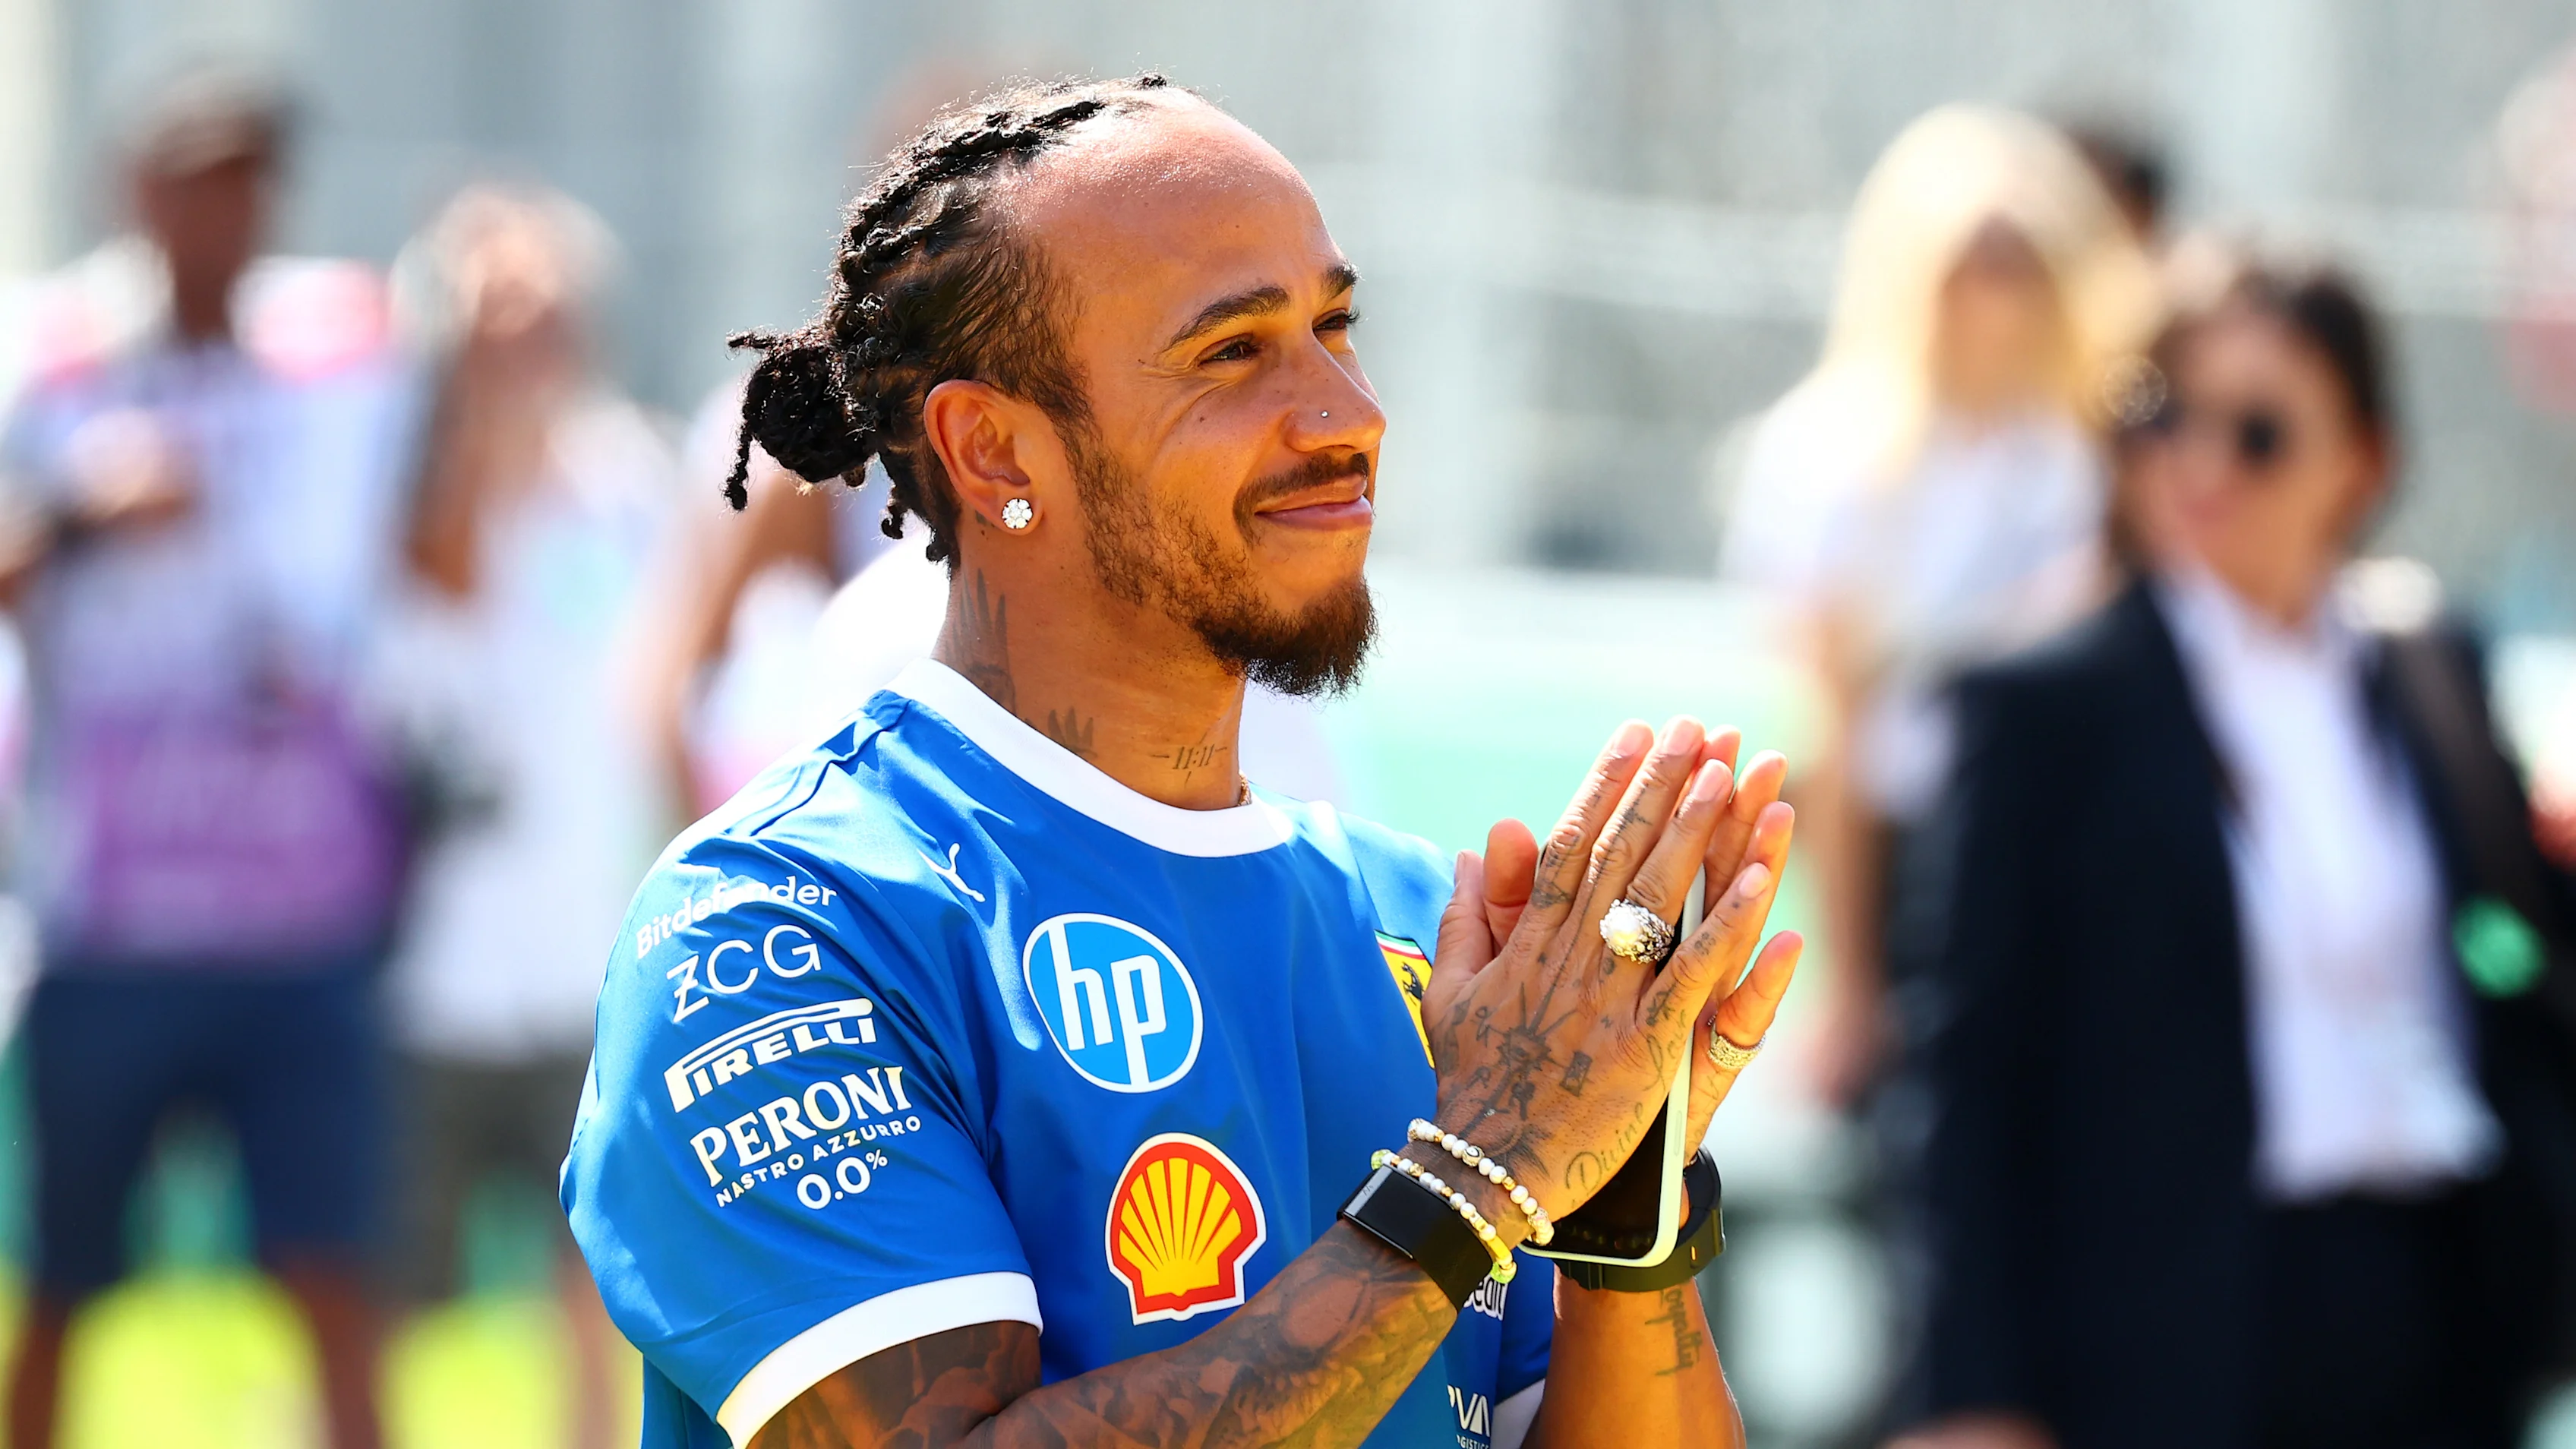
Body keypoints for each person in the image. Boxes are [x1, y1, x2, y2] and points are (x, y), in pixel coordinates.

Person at [563, 74, 1807, 1449]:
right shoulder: (783, 935)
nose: (1346, 412)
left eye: (1334, 326)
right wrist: (1478, 1178)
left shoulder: (1425, 935)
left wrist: (1622, 1216)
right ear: (993, 448)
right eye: (1232, 353)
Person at [1890, 242, 2576, 1449]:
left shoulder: (2431, 671)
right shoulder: (2046, 704)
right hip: (2171, 1337)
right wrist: (1972, 1394)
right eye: (2164, 416)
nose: (2201, 466)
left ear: (2367, 460)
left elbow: (2503, 959)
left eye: (2258, 432)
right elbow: (1968, 1074)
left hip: (2437, 1304)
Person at [0, 69, 414, 1449]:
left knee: (336, 1280)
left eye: (251, 179)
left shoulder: (339, 371)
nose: (229, 208)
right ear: (141, 192)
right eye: (201, 177)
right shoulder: (51, 365)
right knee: (62, 1288)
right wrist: (78, 509)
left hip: (299, 919)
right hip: (113, 917)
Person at [1719, 106, 2153, 1105]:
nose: (2000, 287)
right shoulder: (1835, 454)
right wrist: (1852, 979)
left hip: (2087, 847)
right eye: (1976, 255)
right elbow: (1829, 726)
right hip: (1925, 853)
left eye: (2027, 255)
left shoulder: (2108, 447)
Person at [376, 182, 674, 1449]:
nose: (524, 348)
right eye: (495, 321)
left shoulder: (627, 478)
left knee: (594, 1283)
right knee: (382, 1283)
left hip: (582, 951)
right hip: (421, 965)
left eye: (543, 316)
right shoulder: (400, 486)